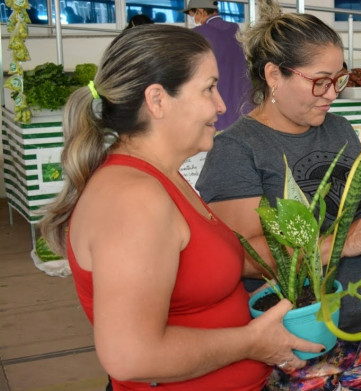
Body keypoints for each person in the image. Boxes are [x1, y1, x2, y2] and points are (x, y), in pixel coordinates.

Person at [38, 25, 322, 391]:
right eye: (209, 88)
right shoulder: (133, 199)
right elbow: (130, 356)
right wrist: (253, 342)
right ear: (157, 100)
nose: (221, 105)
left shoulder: (162, 178)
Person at [195, 0, 361, 390]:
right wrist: (344, 241)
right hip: (295, 349)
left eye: (339, 80)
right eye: (320, 81)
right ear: (275, 75)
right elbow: (242, 259)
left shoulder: (340, 128)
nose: (332, 93)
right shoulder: (238, 149)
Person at [183, 0, 252, 131]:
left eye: (193, 15)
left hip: (217, 96)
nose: (193, 19)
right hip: (241, 95)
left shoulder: (199, 33)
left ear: (200, 11)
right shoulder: (234, 28)